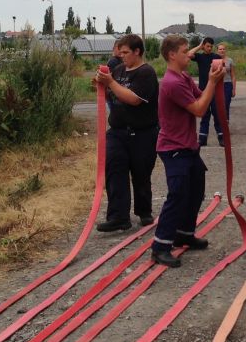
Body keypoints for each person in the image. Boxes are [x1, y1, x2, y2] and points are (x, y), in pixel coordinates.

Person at [152, 34, 226, 268]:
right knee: (177, 195)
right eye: (185, 51)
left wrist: (214, 80)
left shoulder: (183, 77)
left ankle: (183, 234)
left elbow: (200, 96)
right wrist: (213, 82)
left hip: (187, 146)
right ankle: (160, 247)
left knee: (195, 191)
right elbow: (199, 109)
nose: (189, 55)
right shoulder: (171, 83)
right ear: (172, 55)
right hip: (174, 148)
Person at [95, 34, 158, 232]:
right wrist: (100, 84)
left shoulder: (146, 73)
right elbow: (111, 92)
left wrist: (111, 83)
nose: (121, 56)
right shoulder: (119, 70)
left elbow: (134, 99)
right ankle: (118, 217)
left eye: (125, 52)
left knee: (141, 174)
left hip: (142, 133)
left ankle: (144, 211)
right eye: (120, 52)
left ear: (137, 51)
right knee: (115, 172)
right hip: (117, 131)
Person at [188, 37, 224, 146]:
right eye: (207, 46)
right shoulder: (199, 57)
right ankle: (202, 139)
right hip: (202, 91)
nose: (209, 48)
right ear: (204, 46)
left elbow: (222, 70)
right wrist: (199, 46)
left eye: (211, 46)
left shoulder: (216, 57)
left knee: (217, 115)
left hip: (215, 91)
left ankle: (221, 138)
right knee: (204, 115)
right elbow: (189, 54)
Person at [216, 42, 237, 124]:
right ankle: (220, 123)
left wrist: (233, 89)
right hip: (218, 84)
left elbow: (233, 76)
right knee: (218, 104)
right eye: (220, 49)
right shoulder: (214, 60)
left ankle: (226, 122)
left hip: (227, 84)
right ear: (217, 50)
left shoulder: (230, 60)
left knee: (226, 103)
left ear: (225, 50)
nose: (222, 50)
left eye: (223, 49)